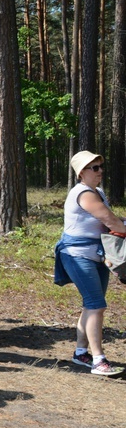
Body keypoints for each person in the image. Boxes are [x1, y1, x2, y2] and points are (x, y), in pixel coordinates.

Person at [54, 151, 126, 376]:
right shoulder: (83, 193)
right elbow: (109, 220)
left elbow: (112, 220)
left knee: (91, 305)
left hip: (96, 255)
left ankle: (80, 353)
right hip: (77, 255)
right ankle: (98, 360)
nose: (100, 171)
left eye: (100, 167)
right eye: (94, 168)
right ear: (81, 173)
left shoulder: (98, 192)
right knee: (96, 305)